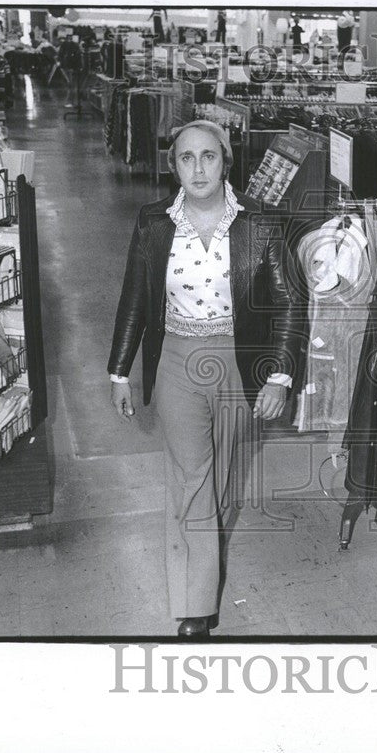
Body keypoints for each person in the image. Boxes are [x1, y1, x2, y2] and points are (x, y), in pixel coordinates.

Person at [108, 120, 302, 639]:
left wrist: (279, 375)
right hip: (176, 360)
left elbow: (287, 302)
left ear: (226, 161)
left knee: (220, 483)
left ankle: (203, 570)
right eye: (186, 158)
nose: (198, 168)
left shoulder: (261, 223)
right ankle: (196, 604)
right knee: (191, 480)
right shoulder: (154, 224)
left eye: (208, 157)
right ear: (174, 167)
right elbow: (134, 298)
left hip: (239, 364)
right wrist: (119, 370)